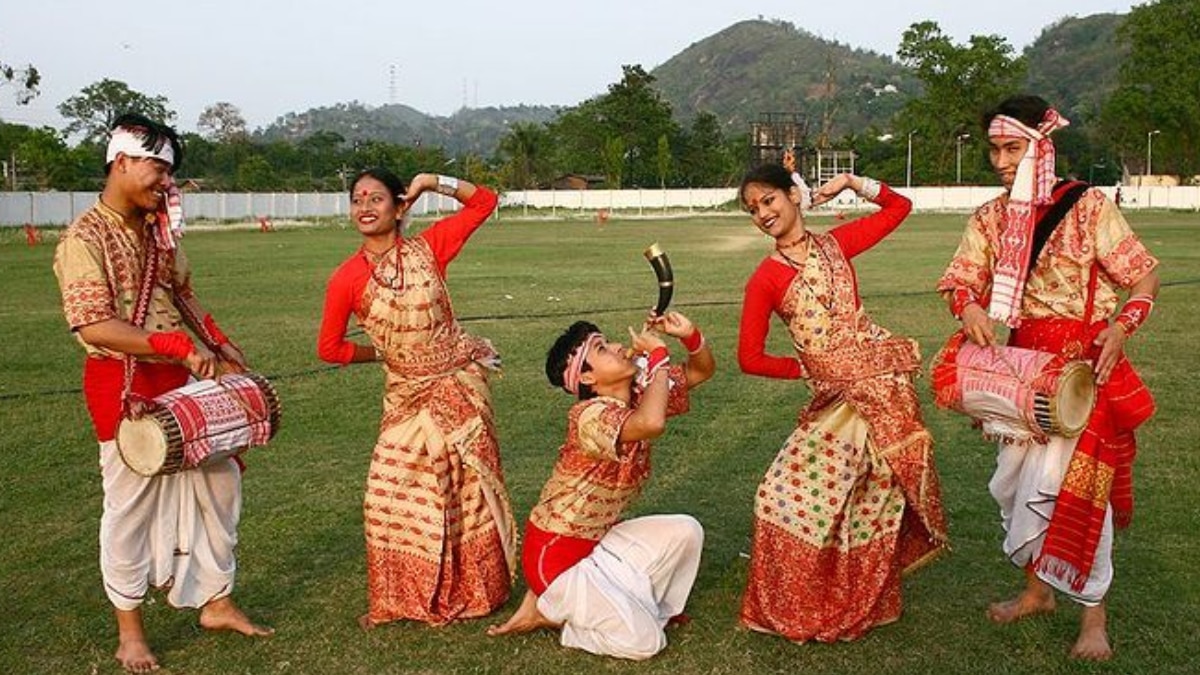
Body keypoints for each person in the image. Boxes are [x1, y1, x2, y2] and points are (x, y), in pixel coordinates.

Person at [936, 94, 1159, 661]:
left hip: (1084, 373)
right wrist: (970, 309)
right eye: (994, 149)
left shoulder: (1087, 206)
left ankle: (1094, 620)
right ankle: (1037, 593)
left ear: (1042, 146)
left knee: (1083, 494)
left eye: (1012, 148)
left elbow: (1144, 275)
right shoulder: (989, 217)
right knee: (1018, 488)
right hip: (1024, 376)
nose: (1000, 161)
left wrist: (1122, 328)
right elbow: (959, 280)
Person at [52, 113, 272, 674]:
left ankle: (216, 600)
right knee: (131, 508)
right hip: (122, 385)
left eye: (170, 171)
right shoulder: (83, 237)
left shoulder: (158, 233)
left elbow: (185, 297)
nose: (165, 182)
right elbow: (92, 326)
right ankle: (130, 632)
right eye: (158, 167)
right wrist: (170, 345)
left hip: (182, 375)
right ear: (121, 162)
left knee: (219, 486)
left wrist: (221, 346)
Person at [736, 163, 948, 642]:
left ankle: (865, 603)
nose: (763, 213)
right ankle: (807, 602)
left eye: (769, 200)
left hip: (882, 391)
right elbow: (749, 358)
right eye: (753, 209)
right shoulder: (765, 279)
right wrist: (809, 369)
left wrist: (853, 183)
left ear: (794, 196)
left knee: (871, 504)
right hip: (834, 401)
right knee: (779, 497)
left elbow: (900, 207)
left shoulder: (837, 245)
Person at [317, 167, 516, 627]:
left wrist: (431, 181)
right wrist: (385, 354)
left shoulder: (430, 250)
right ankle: (398, 599)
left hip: (458, 388)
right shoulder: (346, 278)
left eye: (376, 198)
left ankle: (480, 590)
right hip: (405, 398)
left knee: (462, 492)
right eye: (357, 199)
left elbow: (485, 200)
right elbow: (330, 348)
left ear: (399, 207)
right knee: (387, 497)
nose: (365, 207)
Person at [487, 312, 715, 659]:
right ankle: (557, 616)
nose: (618, 347)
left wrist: (690, 335)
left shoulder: (638, 395)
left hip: (596, 541)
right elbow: (651, 423)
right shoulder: (588, 416)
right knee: (645, 643)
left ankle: (623, 604)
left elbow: (701, 372)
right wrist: (657, 359)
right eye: (602, 348)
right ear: (589, 377)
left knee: (687, 531)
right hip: (556, 559)